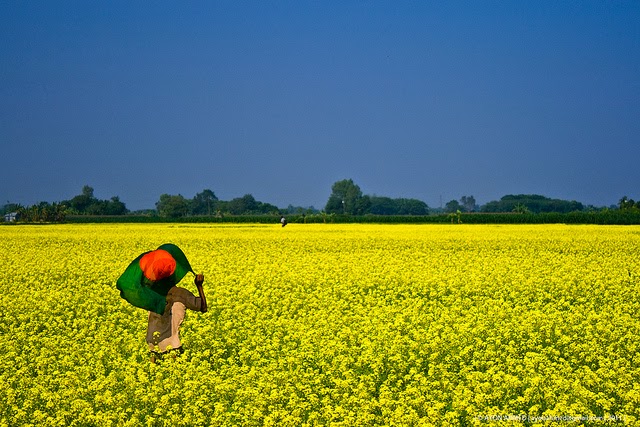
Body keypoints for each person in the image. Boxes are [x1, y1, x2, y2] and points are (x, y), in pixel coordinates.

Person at [147, 273, 207, 362]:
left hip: (153, 345)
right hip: (172, 346)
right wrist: (199, 286)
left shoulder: (151, 295)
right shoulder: (181, 294)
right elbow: (203, 308)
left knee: (154, 373)